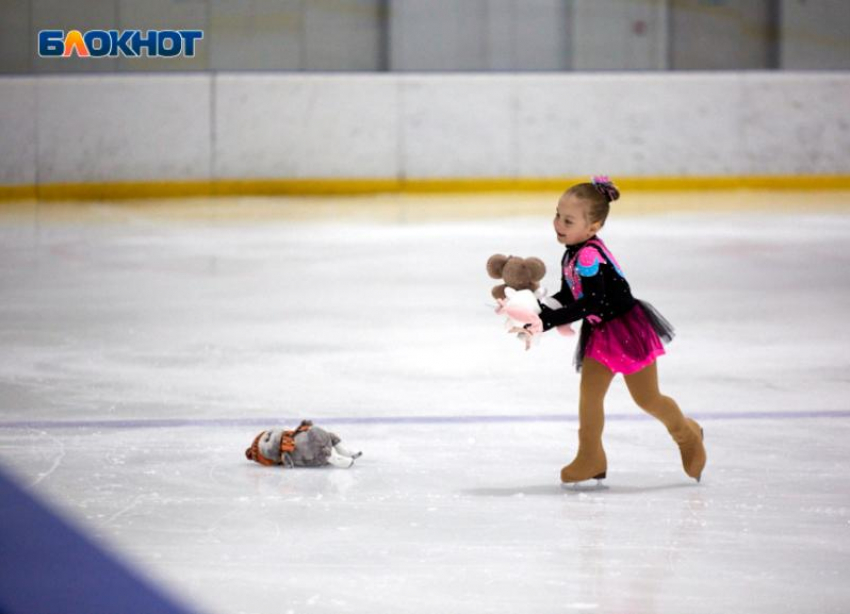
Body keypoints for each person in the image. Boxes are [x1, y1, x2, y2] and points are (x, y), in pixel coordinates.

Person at [509, 176, 706, 484]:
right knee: (589, 396)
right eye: (558, 214)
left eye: (568, 219)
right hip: (600, 334)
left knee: (648, 399)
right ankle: (591, 456)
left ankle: (686, 433)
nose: (558, 223)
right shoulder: (571, 251)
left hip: (627, 332)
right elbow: (570, 295)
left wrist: (545, 321)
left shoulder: (588, 255)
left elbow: (592, 302)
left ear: (594, 227)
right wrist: (536, 307)